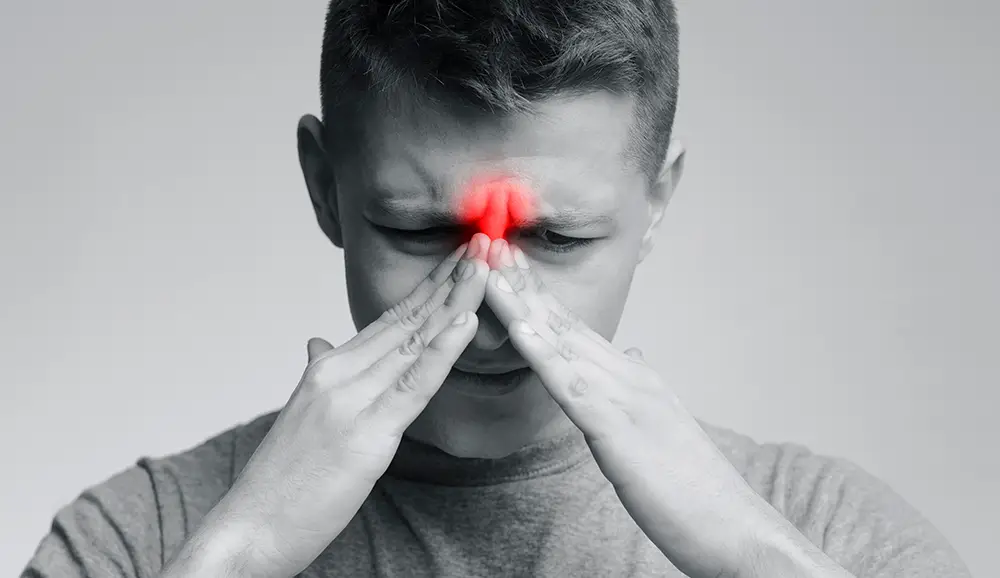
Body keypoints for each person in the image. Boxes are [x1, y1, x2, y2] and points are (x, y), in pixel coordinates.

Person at [22, 1, 971, 577]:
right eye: (419, 230)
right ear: (325, 187)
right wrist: (239, 557)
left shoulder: (834, 532)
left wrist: (755, 560)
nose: (488, 306)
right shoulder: (136, 540)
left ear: (657, 206)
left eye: (556, 238)